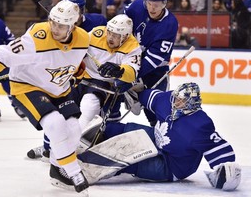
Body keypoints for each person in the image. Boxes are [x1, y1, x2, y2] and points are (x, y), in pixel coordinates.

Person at [0, 0, 90, 194]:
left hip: (58, 88)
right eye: (52, 22)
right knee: (54, 123)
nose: (55, 28)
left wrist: (78, 75)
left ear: (72, 26)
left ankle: (57, 167)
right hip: (27, 86)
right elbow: (1, 54)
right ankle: (74, 172)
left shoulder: (83, 39)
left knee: (73, 129)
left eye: (61, 25)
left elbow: (79, 61)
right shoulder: (37, 37)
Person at [76, 82, 242, 192]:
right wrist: (132, 88)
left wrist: (227, 171)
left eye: (181, 101)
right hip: (156, 138)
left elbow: (220, 150)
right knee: (118, 129)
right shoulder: (167, 100)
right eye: (176, 98)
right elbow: (145, 95)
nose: (176, 103)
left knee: (128, 160)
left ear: (193, 103)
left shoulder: (200, 125)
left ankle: (86, 169)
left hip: (172, 166)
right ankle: (78, 143)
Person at [26, 0, 107, 161]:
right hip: (65, 75)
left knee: (95, 111)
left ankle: (84, 146)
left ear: (81, 12)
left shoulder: (97, 22)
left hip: (91, 76)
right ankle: (49, 147)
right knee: (57, 112)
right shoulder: (58, 23)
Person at [120, 0, 178, 126]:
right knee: (112, 94)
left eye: (157, 5)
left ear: (164, 3)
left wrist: (131, 76)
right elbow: (121, 24)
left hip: (155, 71)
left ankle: (160, 135)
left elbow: (153, 60)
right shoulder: (138, 5)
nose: (152, 8)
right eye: (149, 3)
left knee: (157, 110)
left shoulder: (169, 24)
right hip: (131, 60)